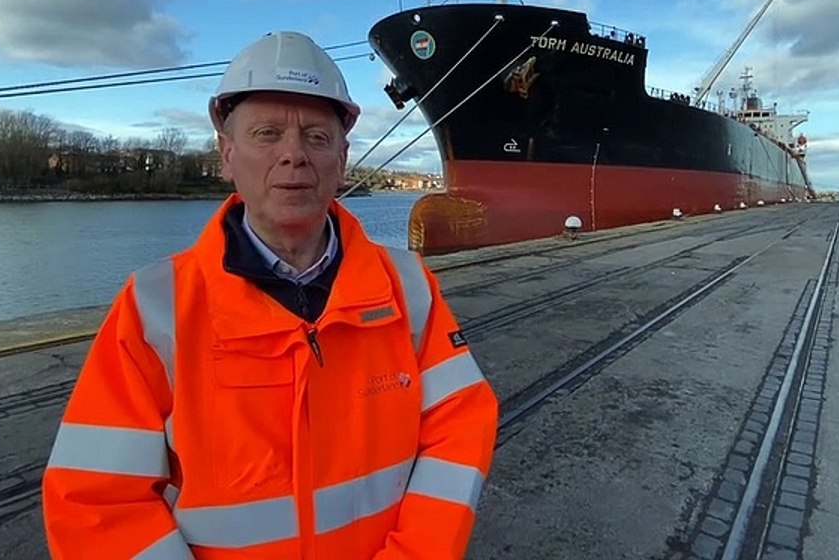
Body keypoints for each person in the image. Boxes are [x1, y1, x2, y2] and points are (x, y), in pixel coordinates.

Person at [41, 31, 500, 559]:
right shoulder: (154, 308)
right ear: (227, 154)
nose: (294, 155)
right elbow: (95, 502)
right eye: (267, 134)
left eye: (316, 137)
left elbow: (460, 426)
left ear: (343, 158)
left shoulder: (409, 287)